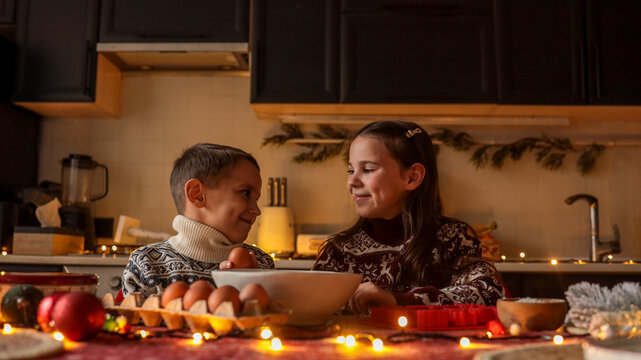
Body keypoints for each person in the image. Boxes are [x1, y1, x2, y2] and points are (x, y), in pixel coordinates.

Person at [312, 121, 506, 315]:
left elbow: (490, 292)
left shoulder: (451, 239)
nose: (352, 182)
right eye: (351, 170)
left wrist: (399, 301)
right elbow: (309, 307)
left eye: (368, 169)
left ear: (412, 177)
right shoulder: (339, 251)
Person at [122, 143, 274, 297]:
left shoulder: (262, 264)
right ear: (197, 194)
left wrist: (250, 282)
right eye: (245, 193)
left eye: (256, 199)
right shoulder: (147, 264)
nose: (256, 210)